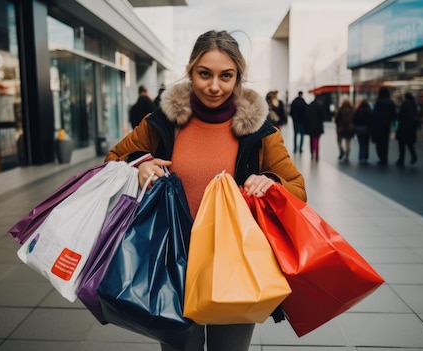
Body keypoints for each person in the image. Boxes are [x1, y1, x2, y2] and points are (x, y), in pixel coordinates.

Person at [105, 30, 306, 351]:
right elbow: (113, 159)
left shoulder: (262, 132)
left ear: (238, 76)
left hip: (235, 264)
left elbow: (297, 189)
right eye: (204, 74)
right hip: (172, 261)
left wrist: (272, 182)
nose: (214, 86)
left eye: (226, 76)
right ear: (190, 71)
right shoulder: (161, 122)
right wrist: (138, 165)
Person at [371, 87, 397, 165]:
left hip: (378, 125)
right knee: (385, 142)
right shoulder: (391, 102)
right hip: (387, 125)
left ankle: (381, 157)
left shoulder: (378, 102)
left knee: (379, 142)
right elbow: (394, 114)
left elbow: (375, 115)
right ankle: (385, 158)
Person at [395, 92, 418, 166]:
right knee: (410, 144)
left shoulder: (404, 104)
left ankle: (401, 159)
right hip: (411, 128)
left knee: (402, 145)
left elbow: (400, 116)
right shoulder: (414, 105)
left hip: (403, 127)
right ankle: (414, 157)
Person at [304, 94, 325, 162]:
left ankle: (312, 153)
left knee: (311, 140)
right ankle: (317, 155)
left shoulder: (310, 106)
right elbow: (323, 117)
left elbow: (306, 116)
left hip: (310, 126)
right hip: (318, 126)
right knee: (317, 140)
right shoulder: (320, 106)